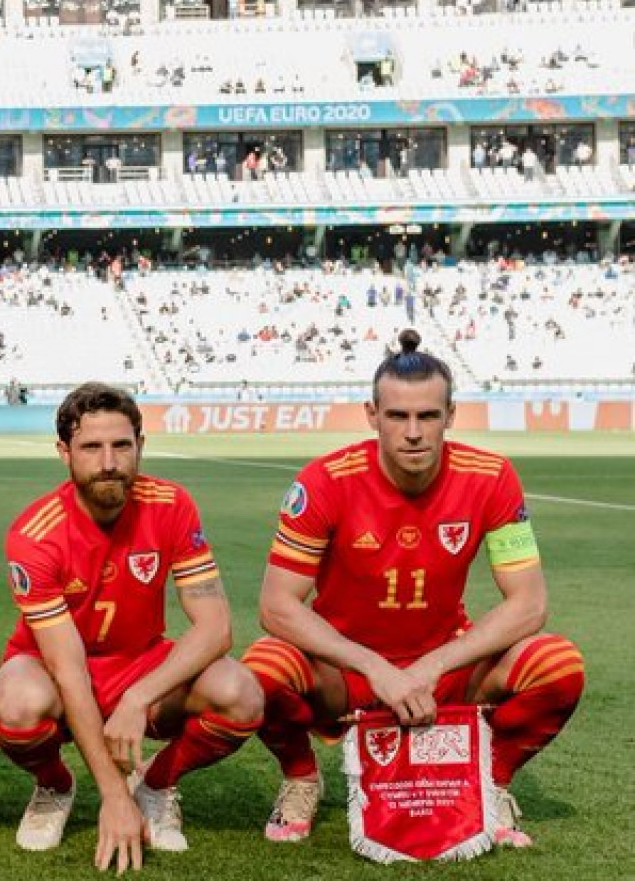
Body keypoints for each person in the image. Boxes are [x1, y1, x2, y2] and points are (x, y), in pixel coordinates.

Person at [243, 329, 584, 847]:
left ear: (450, 415)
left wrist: (431, 666)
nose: (413, 432)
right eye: (398, 416)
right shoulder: (324, 481)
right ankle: (300, 778)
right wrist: (377, 669)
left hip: (445, 666)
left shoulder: (492, 477)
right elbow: (276, 607)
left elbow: (529, 602)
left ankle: (492, 783)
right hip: (348, 672)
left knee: (558, 665)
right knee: (262, 669)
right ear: (371, 415)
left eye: (427, 416)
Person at [0, 383, 261, 872]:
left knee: (239, 691)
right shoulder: (35, 533)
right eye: (91, 448)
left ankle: (156, 786)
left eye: (121, 445)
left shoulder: (172, 504)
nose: (109, 461)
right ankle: (56, 786)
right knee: (16, 703)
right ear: (64, 452)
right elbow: (67, 667)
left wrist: (139, 697)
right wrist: (113, 797)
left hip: (140, 662)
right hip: (52, 669)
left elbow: (216, 627)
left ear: (140, 445)